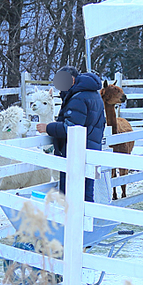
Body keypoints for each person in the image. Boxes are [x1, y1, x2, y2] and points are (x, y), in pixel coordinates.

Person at [39, 66, 105, 201]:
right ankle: (85, 222)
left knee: (71, 196)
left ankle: (73, 222)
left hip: (76, 153)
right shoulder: (93, 94)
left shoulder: (78, 98)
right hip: (90, 150)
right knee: (85, 195)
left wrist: (48, 128)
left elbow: (71, 129)